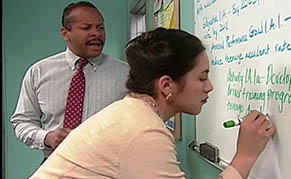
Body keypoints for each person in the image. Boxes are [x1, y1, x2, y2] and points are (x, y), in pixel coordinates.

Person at [30, 28, 275, 179]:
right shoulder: (142, 131)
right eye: (202, 77)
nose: (209, 87)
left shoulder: (132, 112)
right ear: (167, 86)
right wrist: (244, 157)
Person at [10, 1, 129, 164]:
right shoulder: (38, 72)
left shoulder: (126, 74)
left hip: (107, 167)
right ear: (65, 33)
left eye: (100, 27)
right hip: (56, 164)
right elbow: (21, 122)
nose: (96, 33)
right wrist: (47, 137)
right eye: (86, 28)